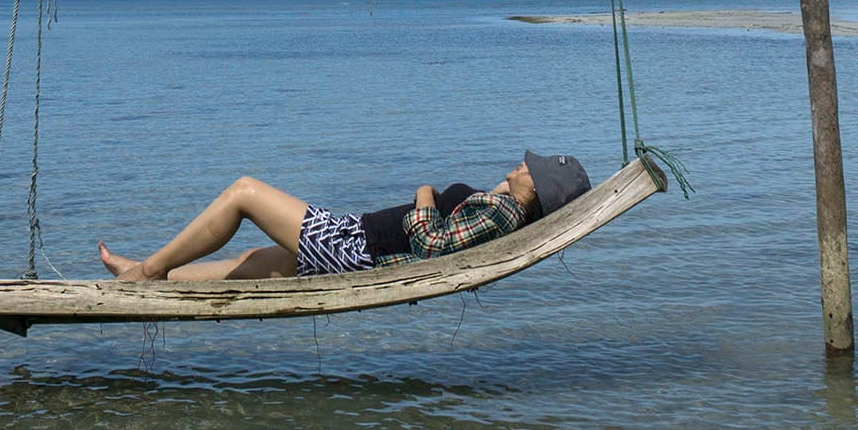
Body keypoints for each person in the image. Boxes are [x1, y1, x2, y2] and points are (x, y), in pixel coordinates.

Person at [96, 151, 592, 282]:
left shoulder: (505, 212)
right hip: (356, 242)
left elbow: (432, 246)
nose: (526, 164)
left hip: (355, 248)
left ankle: (147, 271)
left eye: (535, 170)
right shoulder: (504, 204)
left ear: (538, 193)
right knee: (253, 262)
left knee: (243, 192)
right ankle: (154, 274)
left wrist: (424, 193)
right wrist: (508, 185)